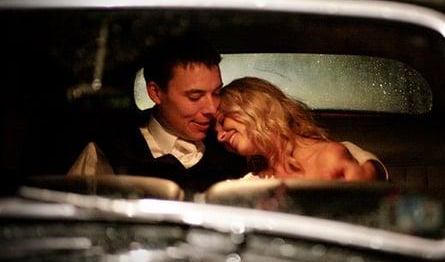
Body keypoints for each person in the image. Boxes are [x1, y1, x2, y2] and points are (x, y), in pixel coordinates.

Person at [68, 35, 246, 195]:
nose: (212, 108)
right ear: (155, 93)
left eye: (216, 92)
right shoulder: (108, 151)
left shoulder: (234, 145)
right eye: (195, 96)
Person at [215, 77, 387, 181]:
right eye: (215, 131)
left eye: (222, 121)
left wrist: (370, 171)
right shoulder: (253, 178)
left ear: (253, 108)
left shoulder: (330, 156)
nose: (220, 137)